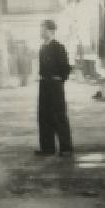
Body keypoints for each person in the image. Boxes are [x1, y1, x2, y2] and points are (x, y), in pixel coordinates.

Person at [35, 19, 74, 157]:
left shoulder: (59, 47)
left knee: (58, 115)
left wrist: (59, 79)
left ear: (50, 31)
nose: (40, 31)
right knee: (44, 116)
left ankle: (66, 147)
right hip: (44, 84)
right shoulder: (42, 47)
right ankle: (47, 147)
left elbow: (66, 67)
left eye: (42, 29)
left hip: (55, 84)